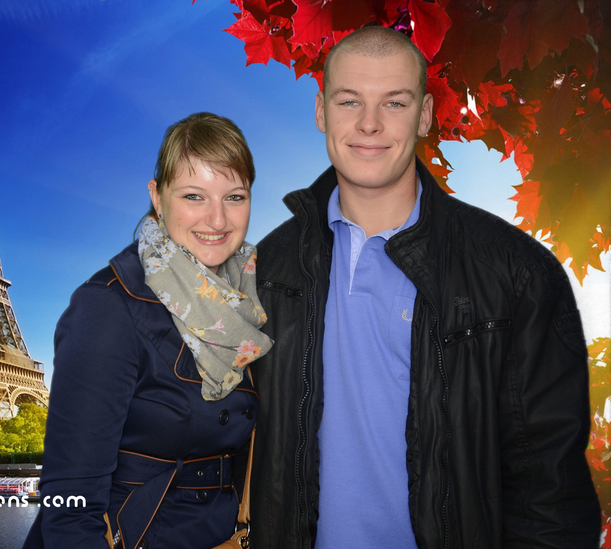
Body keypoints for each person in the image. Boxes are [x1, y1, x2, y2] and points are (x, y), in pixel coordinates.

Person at [250, 26, 600, 549]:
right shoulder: (265, 268)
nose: (369, 123)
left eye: (394, 102)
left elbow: (549, 490)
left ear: (426, 114)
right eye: (349, 101)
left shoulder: (516, 271)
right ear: (321, 111)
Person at [23, 112, 272, 549]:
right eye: (194, 196)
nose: (217, 220)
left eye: (234, 196)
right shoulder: (107, 306)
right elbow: (70, 509)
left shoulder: (249, 299)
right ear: (158, 198)